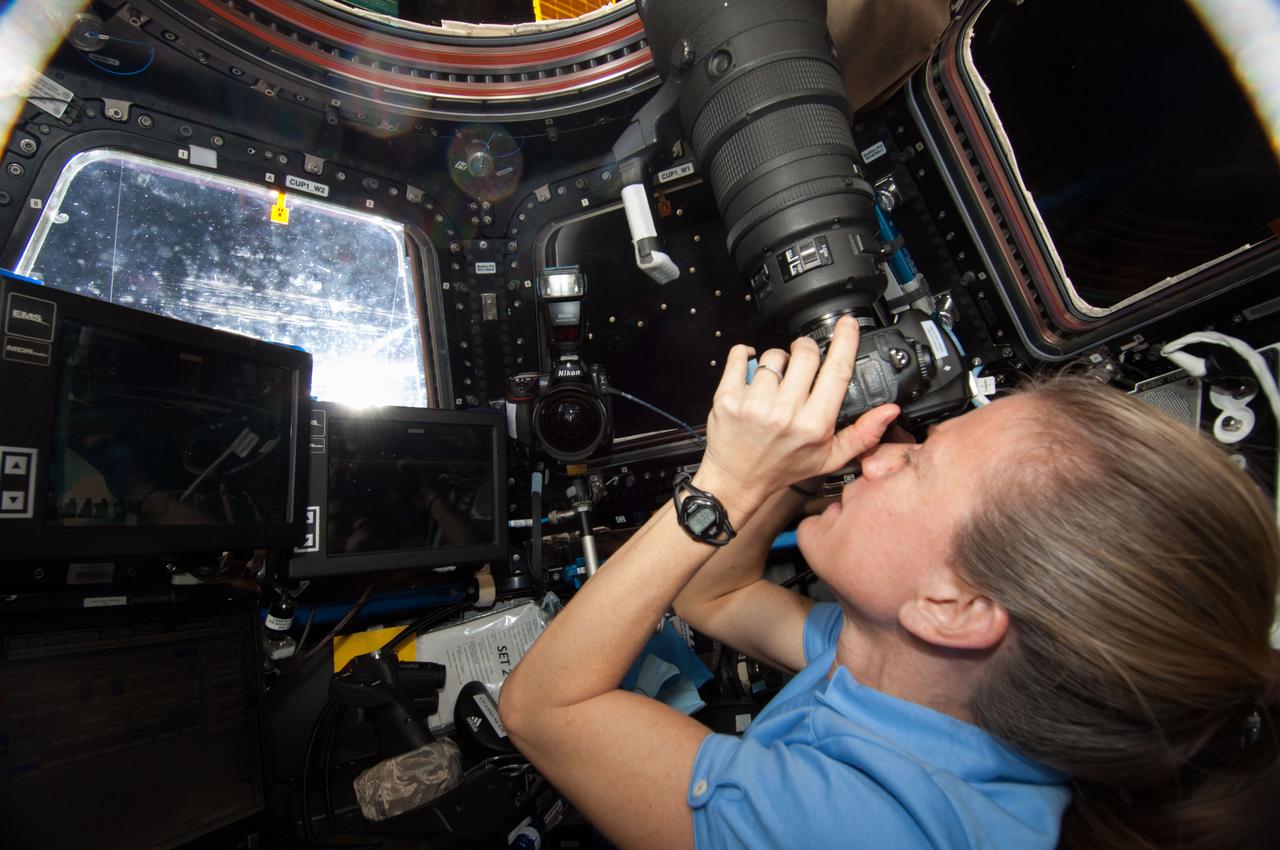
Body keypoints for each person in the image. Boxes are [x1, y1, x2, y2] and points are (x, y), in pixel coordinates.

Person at [498, 317, 1280, 850]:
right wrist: (791, 468)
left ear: (952, 607)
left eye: (918, 462)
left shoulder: (861, 830)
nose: (880, 455)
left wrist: (726, 485)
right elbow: (719, 600)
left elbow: (543, 710)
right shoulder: (913, 675)